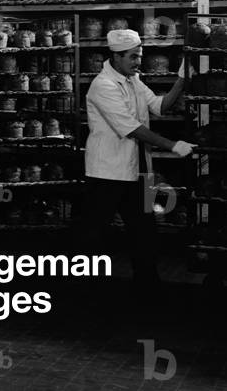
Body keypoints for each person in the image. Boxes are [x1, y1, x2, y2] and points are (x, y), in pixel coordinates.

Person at [82, 28, 194, 302]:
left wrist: (181, 80)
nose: (138, 62)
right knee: (95, 235)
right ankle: (87, 292)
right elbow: (131, 128)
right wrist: (172, 145)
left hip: (138, 170)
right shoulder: (103, 85)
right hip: (107, 172)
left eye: (139, 56)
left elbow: (160, 106)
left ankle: (148, 288)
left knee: (145, 232)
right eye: (133, 57)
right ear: (116, 57)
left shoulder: (133, 80)